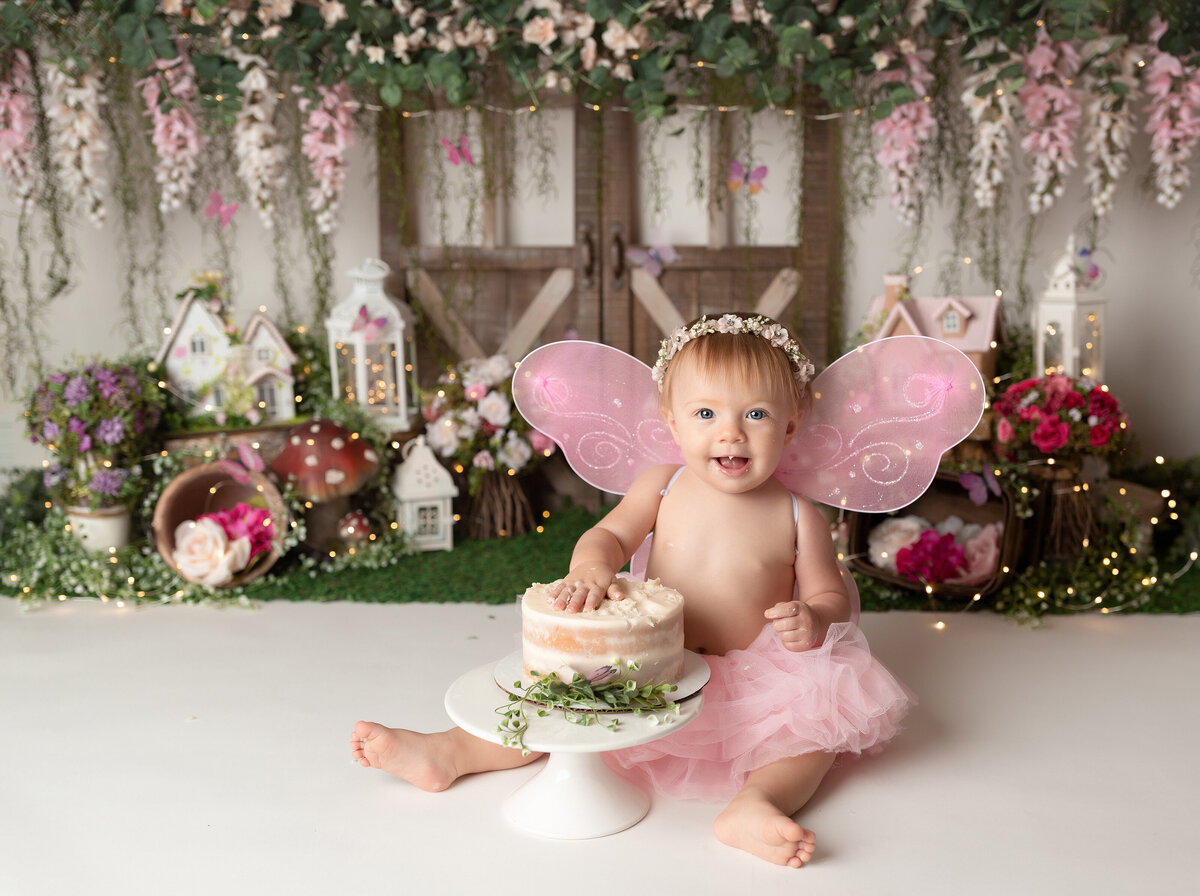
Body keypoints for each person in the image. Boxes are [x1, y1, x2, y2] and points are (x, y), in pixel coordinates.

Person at [352, 313, 912, 869]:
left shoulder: (797, 514)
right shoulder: (663, 486)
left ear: (791, 424)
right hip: (654, 664)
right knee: (562, 706)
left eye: (757, 414)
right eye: (706, 413)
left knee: (811, 734)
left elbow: (831, 596)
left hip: (754, 675)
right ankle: (449, 752)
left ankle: (754, 804)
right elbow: (611, 534)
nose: (730, 432)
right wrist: (593, 566)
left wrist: (812, 619)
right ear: (672, 421)